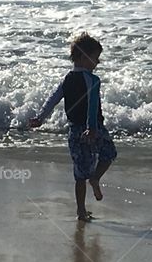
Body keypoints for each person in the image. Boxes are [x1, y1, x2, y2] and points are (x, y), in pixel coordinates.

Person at [29, 32, 118, 222]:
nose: (98, 63)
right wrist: (92, 127)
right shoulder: (92, 80)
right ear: (82, 57)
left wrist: (40, 118)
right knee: (109, 154)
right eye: (95, 58)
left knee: (79, 173)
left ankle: (81, 211)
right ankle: (95, 178)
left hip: (74, 131)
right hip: (93, 129)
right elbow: (93, 104)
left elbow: (52, 99)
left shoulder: (67, 79)